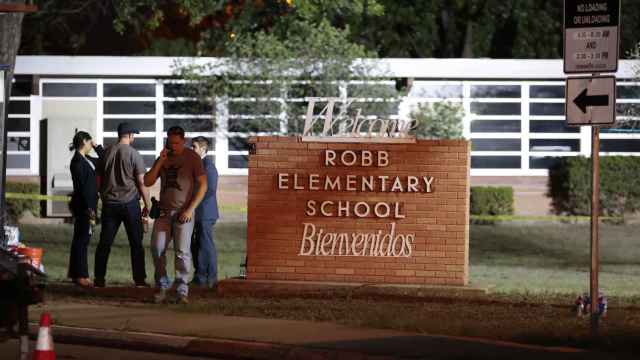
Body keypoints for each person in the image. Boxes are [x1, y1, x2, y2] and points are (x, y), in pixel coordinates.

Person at [144, 126, 207, 304]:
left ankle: (182, 291)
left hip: (183, 214)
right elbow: (148, 181)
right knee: (157, 249)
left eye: (176, 143)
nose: (173, 146)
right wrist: (159, 161)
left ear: (184, 141)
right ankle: (162, 286)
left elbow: (203, 185)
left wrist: (190, 209)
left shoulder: (192, 158)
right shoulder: (164, 157)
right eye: (170, 142)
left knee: (182, 253)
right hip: (163, 213)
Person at [94, 122, 151, 288]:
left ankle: (99, 279)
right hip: (130, 204)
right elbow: (141, 182)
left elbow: (99, 178)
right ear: (130, 135)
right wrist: (148, 205)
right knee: (136, 244)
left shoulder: (106, 153)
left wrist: (102, 196)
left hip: (110, 204)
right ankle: (139, 280)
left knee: (104, 243)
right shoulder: (134, 154)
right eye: (134, 135)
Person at [68, 131, 104, 287]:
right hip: (84, 206)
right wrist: (89, 208)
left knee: (82, 239)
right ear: (84, 141)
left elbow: (103, 161)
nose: (91, 145)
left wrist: (98, 147)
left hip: (89, 205)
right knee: (82, 239)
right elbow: (82, 187)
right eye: (90, 142)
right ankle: (81, 275)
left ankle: (76, 274)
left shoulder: (86, 159)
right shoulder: (77, 162)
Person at [189, 137, 219, 288]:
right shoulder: (197, 165)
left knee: (206, 245)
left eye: (194, 147)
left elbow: (210, 189)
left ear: (203, 149)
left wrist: (194, 202)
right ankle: (199, 276)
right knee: (196, 245)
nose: (191, 149)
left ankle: (211, 278)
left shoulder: (209, 166)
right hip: (196, 212)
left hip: (205, 213)